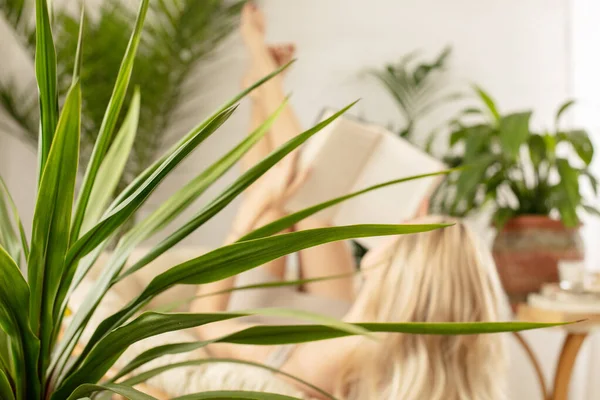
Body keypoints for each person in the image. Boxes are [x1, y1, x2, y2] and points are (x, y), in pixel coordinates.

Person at [88, 4, 508, 399]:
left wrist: (246, 220)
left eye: (399, 237)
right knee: (302, 194)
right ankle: (262, 89)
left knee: (286, 196)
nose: (389, 234)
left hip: (266, 316)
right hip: (332, 311)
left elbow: (208, 325)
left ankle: (265, 78)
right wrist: (416, 225)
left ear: (403, 280)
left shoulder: (331, 361)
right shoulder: (448, 362)